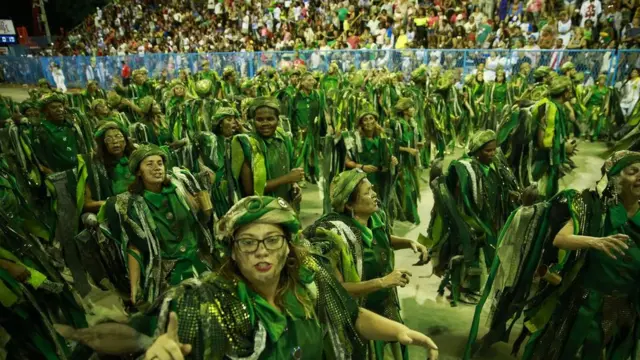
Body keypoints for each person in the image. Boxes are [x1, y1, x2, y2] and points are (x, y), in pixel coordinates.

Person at [56, 195, 439, 360]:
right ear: (232, 251)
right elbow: (129, 334)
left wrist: (400, 331)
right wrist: (145, 343)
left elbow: (348, 315)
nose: (261, 251)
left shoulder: (310, 278)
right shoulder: (201, 299)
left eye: (272, 240)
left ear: (289, 245)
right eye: (248, 242)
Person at [305, 169, 429, 359]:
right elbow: (336, 290)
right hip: (358, 319)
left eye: (372, 189)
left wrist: (408, 242)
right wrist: (382, 282)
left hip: (385, 307)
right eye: (367, 192)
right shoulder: (333, 235)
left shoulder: (375, 219)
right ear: (348, 204)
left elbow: (382, 239)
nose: (374, 195)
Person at [98, 144, 215, 307]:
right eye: (149, 164)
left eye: (160, 163)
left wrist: (205, 210)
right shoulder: (134, 206)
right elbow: (135, 245)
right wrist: (134, 286)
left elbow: (200, 223)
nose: (156, 168)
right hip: (168, 272)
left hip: (198, 262)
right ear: (139, 171)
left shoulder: (179, 190)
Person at [428, 130, 520, 306]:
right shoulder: (464, 169)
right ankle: (463, 290)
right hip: (470, 219)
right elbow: (456, 199)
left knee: (487, 252)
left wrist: (510, 195)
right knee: (468, 255)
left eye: (494, 149)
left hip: (490, 218)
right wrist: (466, 223)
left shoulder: (496, 165)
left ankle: (474, 287)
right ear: (476, 151)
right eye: (487, 151)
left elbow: (499, 187)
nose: (492, 154)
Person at [232, 97, 303, 208]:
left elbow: (289, 168)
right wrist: (287, 179)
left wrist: (294, 184)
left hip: (286, 206)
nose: (265, 123)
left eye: (270, 119)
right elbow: (251, 190)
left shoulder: (283, 138)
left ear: (278, 120)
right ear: (253, 121)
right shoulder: (248, 145)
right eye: (259, 119)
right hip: (262, 210)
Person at [531, 76, 576, 199]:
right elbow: (544, 143)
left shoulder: (555, 107)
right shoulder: (551, 109)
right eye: (570, 91)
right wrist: (564, 147)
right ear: (566, 93)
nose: (571, 94)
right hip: (545, 159)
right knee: (541, 189)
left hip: (551, 160)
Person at [344, 106, 397, 208]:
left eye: (371, 118)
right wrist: (362, 167)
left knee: (381, 206)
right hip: (362, 182)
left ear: (376, 121)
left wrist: (393, 160)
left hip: (380, 181)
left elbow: (389, 156)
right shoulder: (355, 140)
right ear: (361, 123)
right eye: (365, 119)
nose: (369, 122)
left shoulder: (381, 138)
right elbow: (347, 161)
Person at [78, 121, 135, 214]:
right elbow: (87, 203)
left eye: (119, 136)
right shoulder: (92, 165)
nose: (115, 141)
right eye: (108, 139)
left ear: (126, 140)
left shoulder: (136, 158)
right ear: (102, 144)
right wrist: (112, 204)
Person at [32, 93, 89, 174]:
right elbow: (38, 158)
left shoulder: (71, 125)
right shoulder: (41, 130)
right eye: (53, 107)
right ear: (46, 111)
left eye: (60, 106)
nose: (59, 110)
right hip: (59, 175)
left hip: (79, 170)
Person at [389, 97, 422, 224]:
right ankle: (407, 215)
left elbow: (410, 142)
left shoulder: (412, 124)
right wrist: (408, 150)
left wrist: (417, 144)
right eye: (411, 107)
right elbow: (392, 144)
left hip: (410, 162)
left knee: (411, 188)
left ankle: (407, 213)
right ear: (404, 111)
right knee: (405, 187)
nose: (414, 109)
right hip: (401, 162)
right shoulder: (396, 124)